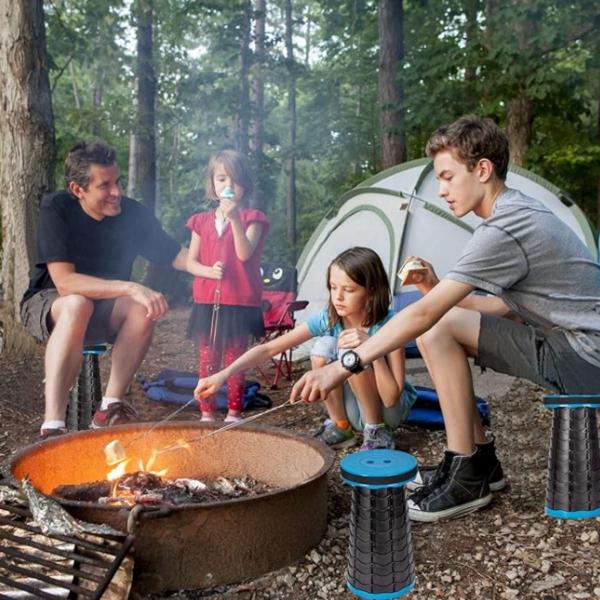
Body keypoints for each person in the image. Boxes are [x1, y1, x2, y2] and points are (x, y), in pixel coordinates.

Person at [290, 115, 600, 521]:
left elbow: (426, 315)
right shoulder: (519, 213)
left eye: (448, 176)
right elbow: (499, 309)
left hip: (585, 355)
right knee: (444, 322)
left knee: (437, 328)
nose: (441, 190)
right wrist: (435, 286)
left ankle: (467, 471)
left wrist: (345, 364)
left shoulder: (507, 225)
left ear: (483, 169)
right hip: (575, 346)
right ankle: (480, 463)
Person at [20, 140, 188, 439]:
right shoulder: (57, 207)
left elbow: (177, 255)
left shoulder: (132, 214)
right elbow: (65, 282)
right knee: (77, 304)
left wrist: (221, 264)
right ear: (77, 190)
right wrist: (130, 286)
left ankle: (109, 407)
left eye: (118, 182)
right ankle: (53, 426)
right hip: (51, 304)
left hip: (107, 310)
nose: (117, 193)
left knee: (142, 307)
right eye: (105, 185)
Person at [194, 247, 418, 450]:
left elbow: (390, 399)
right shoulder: (329, 320)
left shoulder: (389, 324)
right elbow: (269, 349)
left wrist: (370, 349)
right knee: (324, 346)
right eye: (333, 287)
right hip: (353, 410)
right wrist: (223, 375)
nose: (337, 297)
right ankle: (341, 428)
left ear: (370, 290)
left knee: (350, 353)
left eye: (348, 289)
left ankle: (376, 432)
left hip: (388, 413)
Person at [186, 150, 269, 423]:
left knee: (235, 359)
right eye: (222, 179)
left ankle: (234, 413)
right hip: (207, 301)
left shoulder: (253, 218)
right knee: (208, 357)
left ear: (245, 185)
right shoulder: (200, 221)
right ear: (212, 183)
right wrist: (209, 272)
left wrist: (234, 218)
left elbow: (244, 254)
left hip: (240, 301)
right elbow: (191, 263)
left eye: (235, 180)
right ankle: (207, 412)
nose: (228, 187)